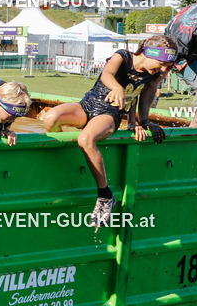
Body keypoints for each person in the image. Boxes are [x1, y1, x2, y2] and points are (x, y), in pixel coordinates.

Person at [42, 35, 178, 228]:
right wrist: (117, 88)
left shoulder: (154, 73)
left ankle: (105, 196)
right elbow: (106, 74)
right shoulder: (122, 56)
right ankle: (71, 156)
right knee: (50, 118)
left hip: (110, 113)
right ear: (148, 53)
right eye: (162, 63)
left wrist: (138, 122)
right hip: (88, 104)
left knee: (86, 139)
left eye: (169, 66)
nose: (164, 70)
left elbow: (139, 95)